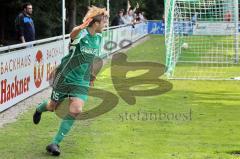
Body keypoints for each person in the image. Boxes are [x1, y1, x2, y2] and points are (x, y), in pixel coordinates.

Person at [32, 6, 108, 156]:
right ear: (96, 23)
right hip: (65, 76)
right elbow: (72, 35)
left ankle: (55, 143)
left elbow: (91, 58)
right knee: (52, 106)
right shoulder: (82, 35)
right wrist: (80, 27)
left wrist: (91, 73)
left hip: (81, 81)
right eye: (104, 22)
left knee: (76, 110)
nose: (105, 25)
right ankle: (39, 109)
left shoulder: (99, 38)